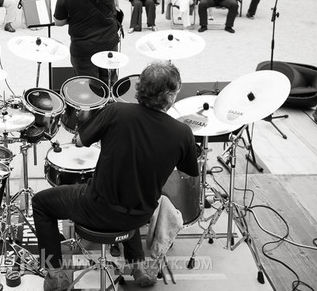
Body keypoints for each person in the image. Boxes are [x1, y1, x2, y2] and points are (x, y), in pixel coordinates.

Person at [32, 60, 200, 291]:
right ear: (170, 96)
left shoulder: (116, 111)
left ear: (139, 89)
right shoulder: (182, 133)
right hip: (141, 215)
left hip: (98, 208)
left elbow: (80, 141)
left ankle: (55, 274)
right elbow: (189, 171)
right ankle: (137, 265)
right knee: (131, 190)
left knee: (40, 202)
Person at [54, 0, 121, 82]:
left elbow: (58, 22)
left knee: (88, 89)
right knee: (109, 84)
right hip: (108, 42)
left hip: (83, 48)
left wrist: (75, 17)